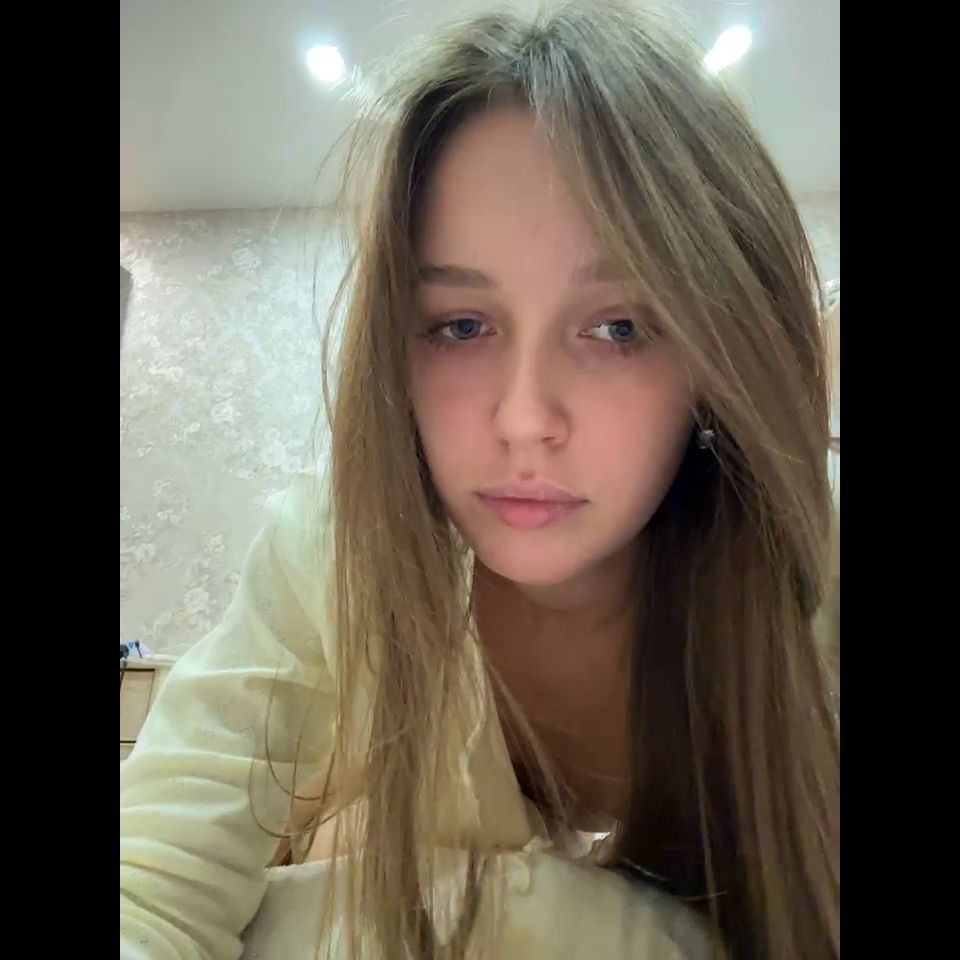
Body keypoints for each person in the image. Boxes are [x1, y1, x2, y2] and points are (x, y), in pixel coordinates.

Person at [119, 4, 840, 958]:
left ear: (716, 354)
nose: (523, 418)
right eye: (462, 326)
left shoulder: (811, 578)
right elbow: (152, 888)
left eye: (618, 327)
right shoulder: (338, 548)